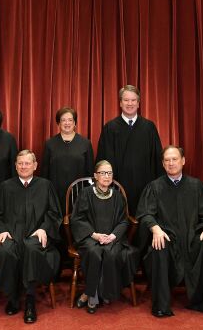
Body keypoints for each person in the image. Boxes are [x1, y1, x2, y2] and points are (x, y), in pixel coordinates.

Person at [135, 146, 203, 319]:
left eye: (174, 159)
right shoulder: (155, 187)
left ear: (183, 161)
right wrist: (155, 228)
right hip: (168, 238)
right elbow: (145, 213)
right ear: (162, 164)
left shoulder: (196, 186)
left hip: (192, 239)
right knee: (159, 246)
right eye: (167, 160)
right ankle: (161, 305)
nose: (171, 163)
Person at [0, 150, 61, 324]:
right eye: (20, 163)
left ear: (35, 166)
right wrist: (2, 230)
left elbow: (54, 213)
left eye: (27, 163)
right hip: (12, 236)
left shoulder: (45, 185)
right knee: (5, 251)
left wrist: (44, 229)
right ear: (15, 166)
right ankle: (12, 298)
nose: (23, 166)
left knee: (31, 248)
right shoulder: (6, 186)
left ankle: (30, 300)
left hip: (36, 237)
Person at [70, 160, 138, 314]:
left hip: (112, 238)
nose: (106, 176)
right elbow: (77, 219)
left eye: (109, 173)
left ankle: (93, 292)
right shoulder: (85, 194)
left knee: (110, 252)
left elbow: (123, 221)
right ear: (95, 175)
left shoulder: (117, 196)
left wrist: (113, 236)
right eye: (103, 173)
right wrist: (94, 235)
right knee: (94, 252)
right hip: (90, 237)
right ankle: (93, 296)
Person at [96, 85, 164, 214]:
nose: (130, 103)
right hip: (117, 188)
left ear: (138, 103)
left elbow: (157, 159)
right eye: (126, 100)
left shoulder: (149, 127)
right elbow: (102, 160)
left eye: (133, 100)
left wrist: (157, 187)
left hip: (145, 187)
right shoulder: (110, 128)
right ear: (120, 103)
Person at [41, 107, 94, 208]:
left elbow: (90, 172)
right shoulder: (50, 144)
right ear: (58, 123)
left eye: (70, 120)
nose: (67, 123)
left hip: (79, 193)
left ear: (75, 123)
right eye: (63, 120)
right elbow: (45, 173)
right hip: (55, 194)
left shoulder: (85, 143)